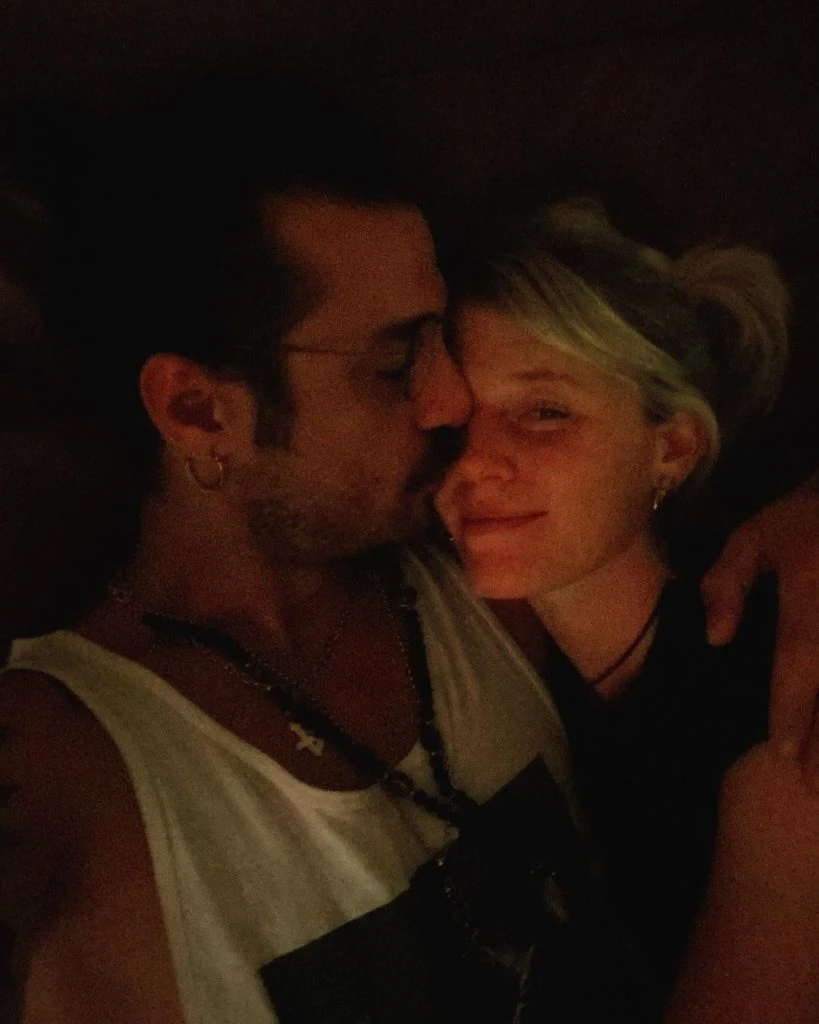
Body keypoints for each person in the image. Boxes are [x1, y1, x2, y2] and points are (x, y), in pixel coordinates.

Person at [1, 71, 819, 1024]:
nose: (446, 404)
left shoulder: (481, 575)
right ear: (197, 410)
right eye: (395, 362)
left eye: (440, 344)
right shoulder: (60, 759)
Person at [433, 197, 801, 994]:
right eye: (453, 424)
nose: (475, 461)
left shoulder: (777, 680)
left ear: (669, 449)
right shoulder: (485, 683)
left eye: (543, 412)